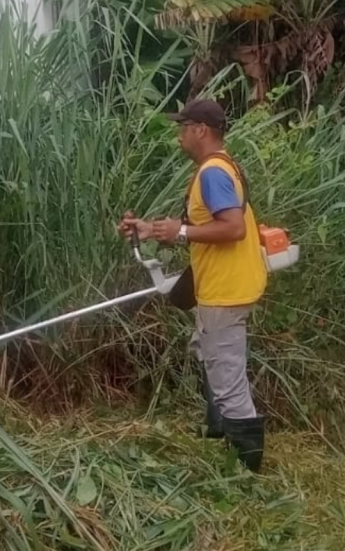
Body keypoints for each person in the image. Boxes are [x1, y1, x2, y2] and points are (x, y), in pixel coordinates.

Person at [118, 98, 268, 472]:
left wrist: (182, 232)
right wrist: (151, 229)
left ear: (201, 130)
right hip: (222, 287)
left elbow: (232, 228)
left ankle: (247, 474)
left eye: (183, 128)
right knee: (209, 355)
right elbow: (201, 227)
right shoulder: (219, 168)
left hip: (225, 291)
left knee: (228, 379)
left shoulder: (212, 173)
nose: (179, 136)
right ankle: (220, 434)